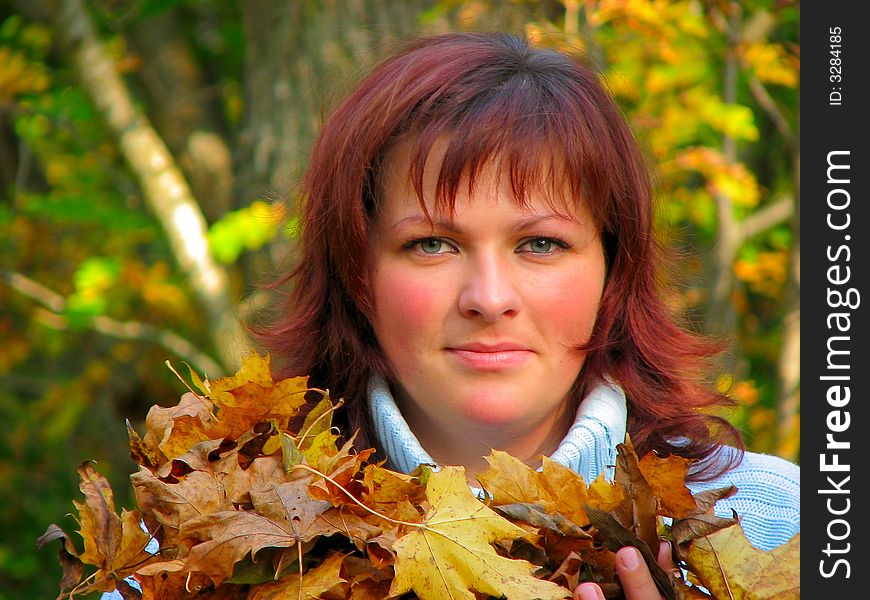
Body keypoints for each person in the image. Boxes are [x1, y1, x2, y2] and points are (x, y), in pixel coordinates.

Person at [253, 32, 800, 600]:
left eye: (540, 244)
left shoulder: (787, 528)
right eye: (433, 244)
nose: (489, 299)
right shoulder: (199, 545)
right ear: (355, 271)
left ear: (614, 268)